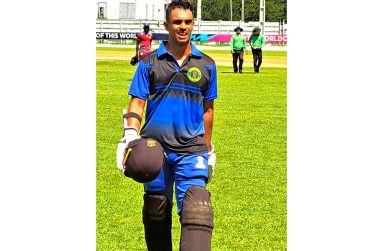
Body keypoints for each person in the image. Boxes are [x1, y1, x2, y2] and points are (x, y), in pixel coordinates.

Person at [116, 1, 218, 250]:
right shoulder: (149, 63)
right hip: (156, 150)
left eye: (187, 22)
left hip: (191, 149)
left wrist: (208, 149)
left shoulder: (206, 65)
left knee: (198, 210)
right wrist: (129, 134)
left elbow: (208, 111)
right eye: (177, 22)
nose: (183, 27)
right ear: (167, 25)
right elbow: (137, 102)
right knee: (156, 210)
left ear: (193, 24)